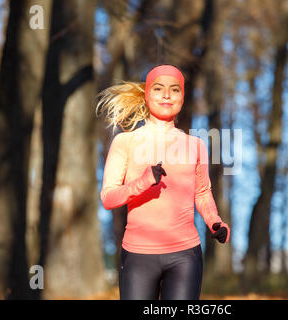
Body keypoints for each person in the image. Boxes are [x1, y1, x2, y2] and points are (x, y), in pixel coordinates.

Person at [96, 64, 230, 300]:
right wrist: (144, 180)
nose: (167, 95)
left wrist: (215, 222)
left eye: (175, 89)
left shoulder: (195, 145)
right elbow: (108, 198)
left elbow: (202, 192)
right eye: (158, 89)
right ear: (147, 95)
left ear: (182, 97)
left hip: (185, 255)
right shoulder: (125, 142)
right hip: (137, 255)